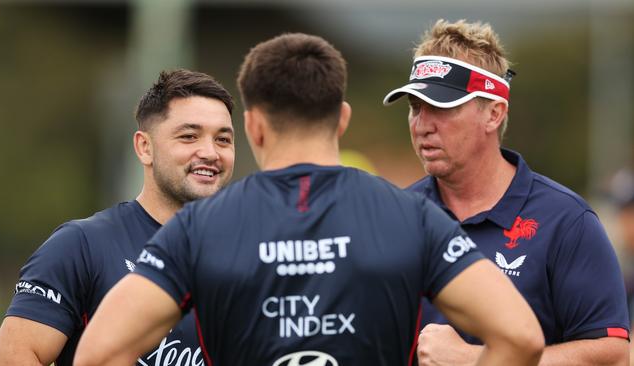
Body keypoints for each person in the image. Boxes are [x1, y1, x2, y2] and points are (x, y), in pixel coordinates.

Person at [73, 33, 543, 366]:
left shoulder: (198, 229)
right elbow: (520, 336)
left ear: (253, 126)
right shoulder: (413, 216)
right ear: (341, 119)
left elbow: (98, 353)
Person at [382, 19, 630, 365]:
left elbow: (615, 357)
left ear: (494, 114)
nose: (423, 125)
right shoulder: (394, 217)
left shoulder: (567, 221)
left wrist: (480, 360)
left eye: (440, 106)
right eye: (415, 107)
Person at [0, 69, 236, 366]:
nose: (210, 152)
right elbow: (13, 358)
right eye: (189, 136)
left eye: (223, 140)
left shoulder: (250, 253)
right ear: (145, 147)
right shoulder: (81, 245)